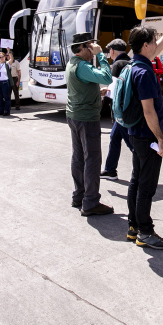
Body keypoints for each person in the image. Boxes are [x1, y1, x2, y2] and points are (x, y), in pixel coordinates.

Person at [126, 20, 163, 249]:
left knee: (136, 181)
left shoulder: (134, 64)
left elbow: (156, 49)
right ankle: (145, 233)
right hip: (147, 137)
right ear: (145, 45)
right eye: (154, 41)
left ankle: (133, 227)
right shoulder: (145, 73)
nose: (157, 45)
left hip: (134, 133)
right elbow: (149, 111)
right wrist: (161, 141)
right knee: (146, 187)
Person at [65, 32, 114, 217]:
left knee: (78, 157)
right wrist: (101, 55)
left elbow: (81, 85)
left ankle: (79, 196)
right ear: (84, 47)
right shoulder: (83, 65)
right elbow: (107, 77)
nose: (93, 49)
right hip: (86, 118)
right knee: (92, 159)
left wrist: (95, 93)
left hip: (74, 115)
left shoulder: (72, 63)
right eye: (91, 46)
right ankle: (91, 202)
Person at [100, 38, 133, 180]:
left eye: (109, 51)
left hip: (120, 111)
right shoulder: (129, 61)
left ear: (112, 51)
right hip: (128, 108)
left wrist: (103, 98)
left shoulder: (117, 64)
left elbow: (114, 90)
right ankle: (110, 170)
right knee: (114, 138)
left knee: (132, 144)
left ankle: (145, 167)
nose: (109, 53)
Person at [0, 51, 12, 116]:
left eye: (2, 57)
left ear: (5, 57)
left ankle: (7, 111)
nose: (1, 58)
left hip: (4, 82)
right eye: (0, 57)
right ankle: (1, 111)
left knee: (6, 98)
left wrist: (9, 51)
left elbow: (11, 59)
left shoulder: (7, 64)